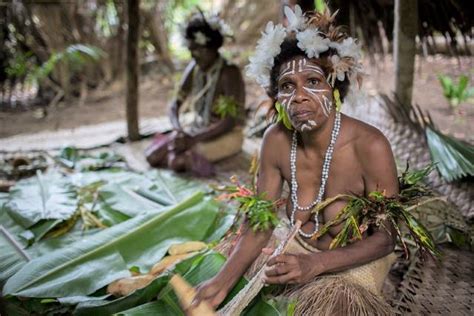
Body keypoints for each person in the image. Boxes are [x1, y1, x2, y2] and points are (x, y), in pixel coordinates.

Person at [194, 6, 398, 315]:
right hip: (298, 250)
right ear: (277, 99)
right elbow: (261, 223)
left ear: (335, 90)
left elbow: (386, 238)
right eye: (287, 87)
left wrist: (317, 264)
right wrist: (220, 284)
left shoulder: (370, 146)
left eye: (313, 82)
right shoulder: (275, 141)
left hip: (353, 265)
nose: (299, 96)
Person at [145, 12, 245, 177]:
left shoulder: (229, 73)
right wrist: (178, 130)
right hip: (198, 128)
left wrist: (192, 139)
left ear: (212, 48)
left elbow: (230, 121)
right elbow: (174, 104)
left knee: (177, 162)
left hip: (227, 135)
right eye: (191, 50)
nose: (193, 56)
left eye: (198, 50)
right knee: (152, 155)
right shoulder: (195, 67)